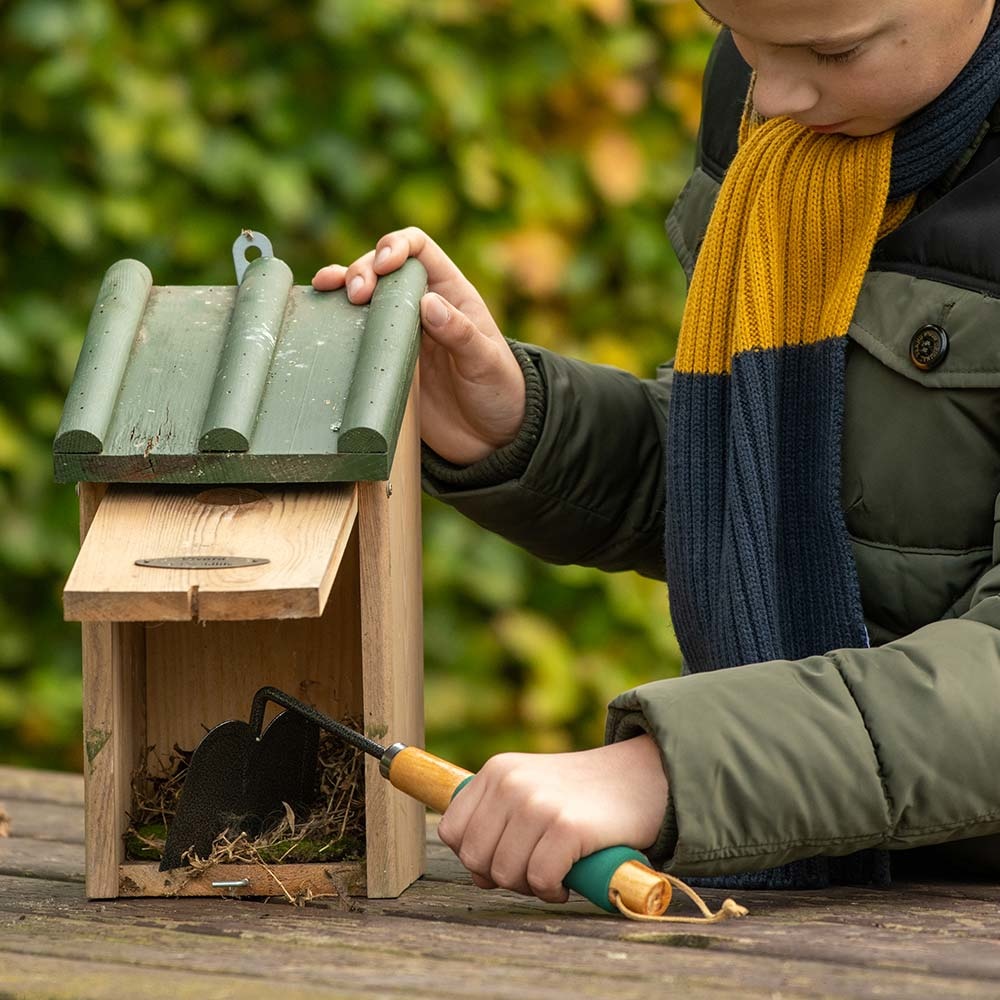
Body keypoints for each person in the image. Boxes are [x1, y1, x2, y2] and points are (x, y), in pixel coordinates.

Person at [313, 0, 1000, 902]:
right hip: (818, 901)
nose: (777, 95)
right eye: (739, 34)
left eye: (834, 50)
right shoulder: (779, 108)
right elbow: (768, 478)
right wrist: (522, 423)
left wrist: (669, 772)